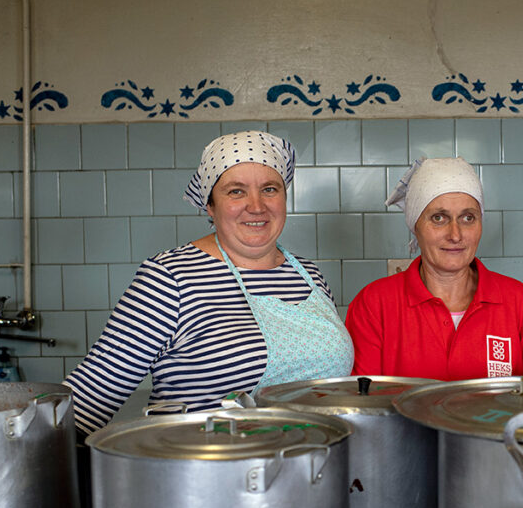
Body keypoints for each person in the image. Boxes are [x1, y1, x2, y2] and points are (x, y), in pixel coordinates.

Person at [66, 131, 353, 436]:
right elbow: (90, 395)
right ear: (211, 206)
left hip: (308, 467)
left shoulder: (309, 275)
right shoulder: (169, 278)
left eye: (269, 189)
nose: (256, 206)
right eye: (236, 192)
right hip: (205, 474)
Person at [345, 157, 523, 379]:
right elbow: (361, 403)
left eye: (468, 218)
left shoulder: (517, 302)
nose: (455, 235)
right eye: (438, 218)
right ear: (415, 226)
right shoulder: (374, 305)